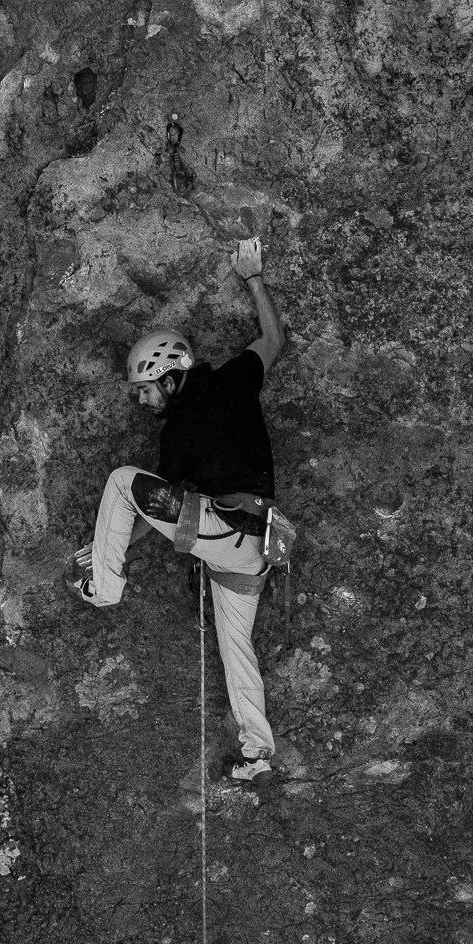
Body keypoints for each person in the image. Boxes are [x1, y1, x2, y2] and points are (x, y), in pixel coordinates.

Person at [70, 238, 286, 782]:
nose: (143, 403)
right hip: (255, 546)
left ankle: (106, 588)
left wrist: (108, 552)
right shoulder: (237, 379)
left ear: (169, 378)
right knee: (236, 649)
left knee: (122, 480)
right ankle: (257, 751)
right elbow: (273, 339)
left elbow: (151, 505)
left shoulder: (182, 430)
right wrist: (253, 277)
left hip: (225, 530)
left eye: (145, 391)